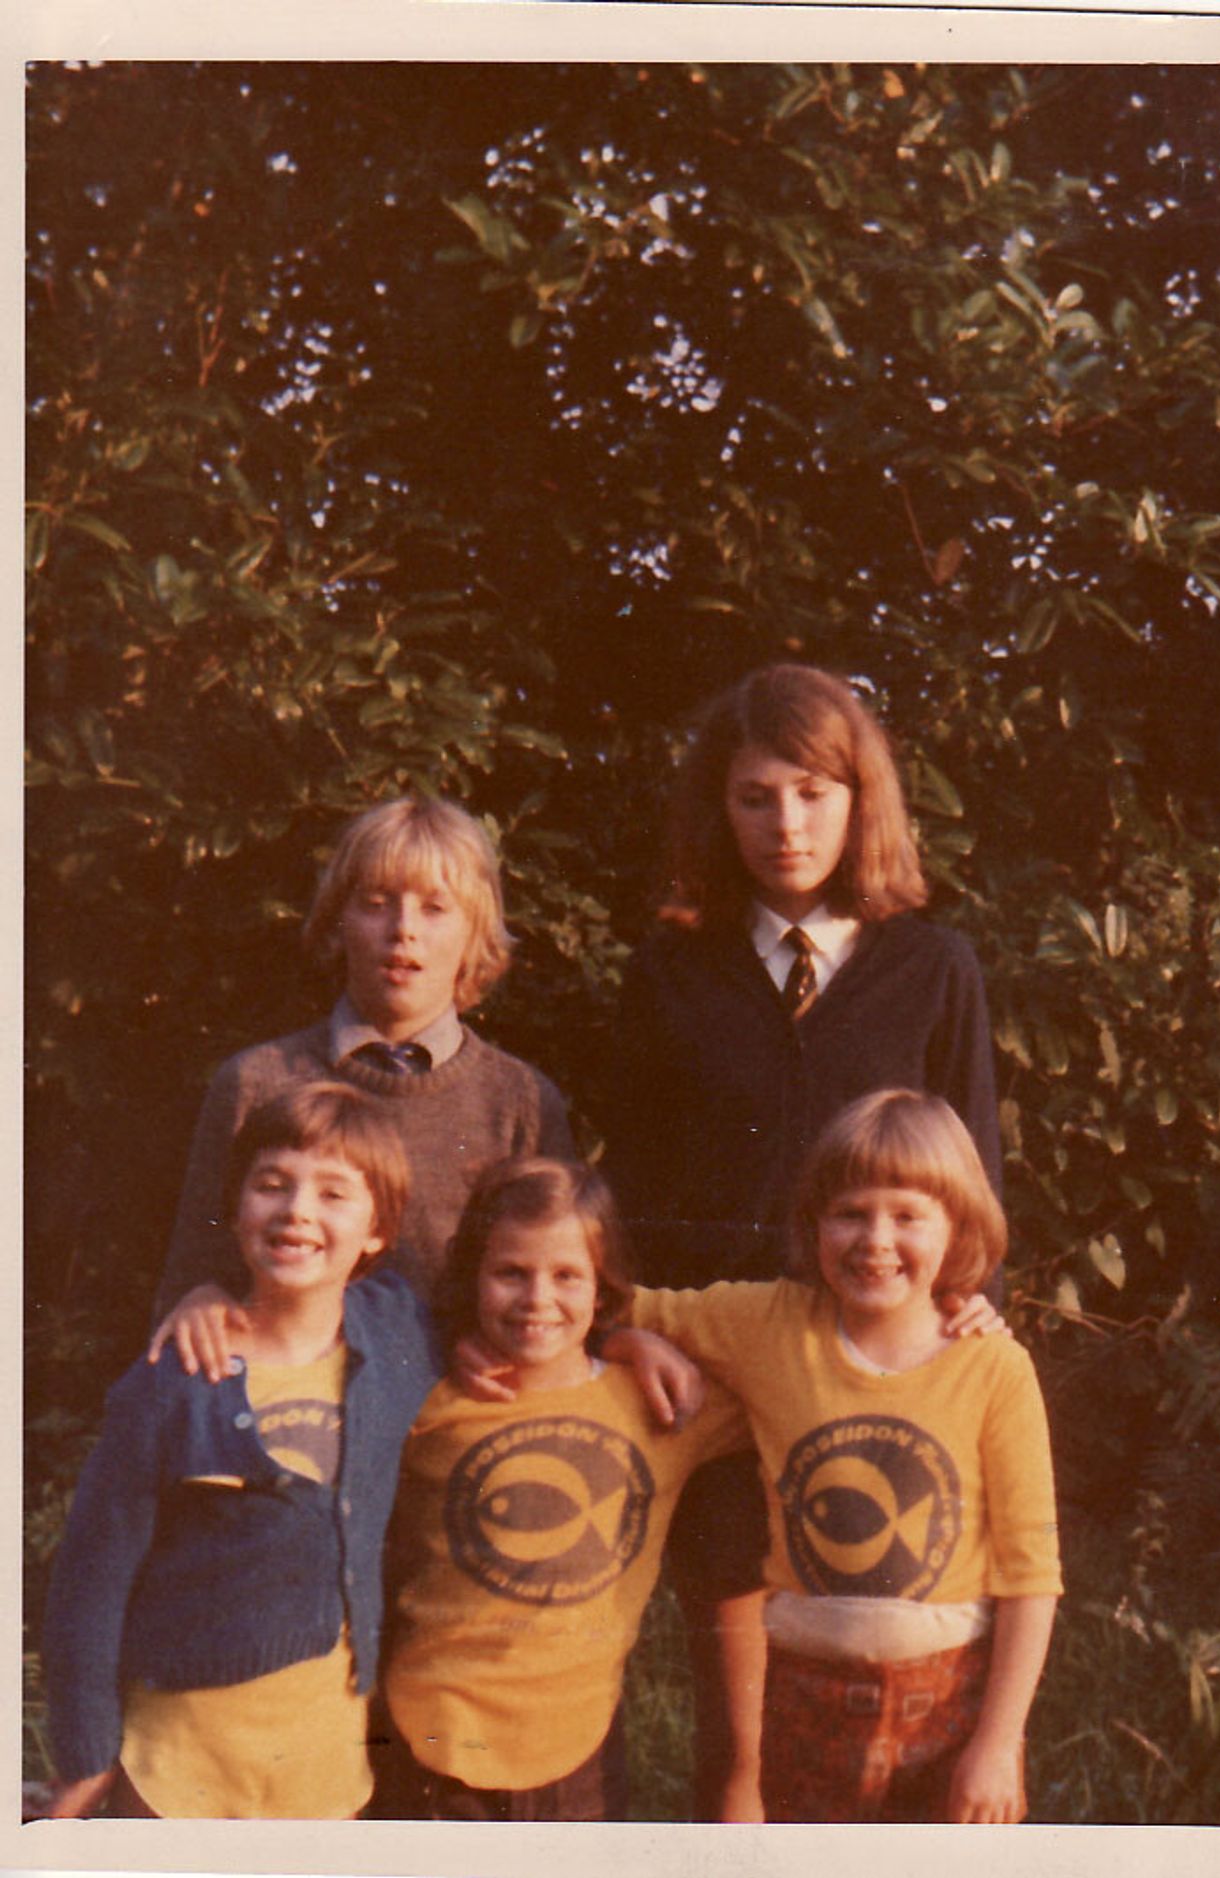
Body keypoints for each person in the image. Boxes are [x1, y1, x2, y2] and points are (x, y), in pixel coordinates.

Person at [603, 662, 1004, 1819]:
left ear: (858, 801)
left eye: (813, 793)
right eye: (754, 797)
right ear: (715, 812)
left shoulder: (934, 968)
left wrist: (968, 1295)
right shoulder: (669, 970)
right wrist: (632, 1331)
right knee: (738, 1731)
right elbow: (624, 1184)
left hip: (874, 1365)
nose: (786, 825)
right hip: (715, 1365)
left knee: (875, 1666)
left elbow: (967, 1174)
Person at [627, 1090, 1061, 1824]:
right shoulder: (768, 1324)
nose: (876, 1240)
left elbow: (1031, 1576)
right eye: (850, 1213)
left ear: (957, 1230)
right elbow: (604, 1302)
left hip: (952, 1711)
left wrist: (997, 1743)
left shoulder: (994, 1369)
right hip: (802, 1702)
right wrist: (628, 1340)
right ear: (814, 1224)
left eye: (907, 1216)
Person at [41, 1083, 443, 1819]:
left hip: (328, 1782)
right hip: (175, 1778)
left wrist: (637, 1338)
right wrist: (85, 1758)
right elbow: (87, 1588)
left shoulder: (401, 1338)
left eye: (333, 1194)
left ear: (380, 1229)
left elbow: (526, 1324)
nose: (297, 1211)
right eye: (272, 1185)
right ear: (236, 1207)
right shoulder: (173, 1384)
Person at [371, 1157, 749, 1823]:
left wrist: (634, 1339)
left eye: (567, 1275)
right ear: (474, 1277)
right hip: (431, 1742)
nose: (538, 1299)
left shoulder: (656, 1402)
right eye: (511, 1272)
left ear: (603, 1288)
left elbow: (798, 1370)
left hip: (579, 1755)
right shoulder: (430, 1395)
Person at [154, 795, 575, 1329]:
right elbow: (191, 1280)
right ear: (338, 922)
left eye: (435, 908)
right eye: (376, 903)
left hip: (465, 1402)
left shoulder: (522, 1102)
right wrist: (200, 1301)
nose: (403, 929)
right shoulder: (256, 1083)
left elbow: (563, 1289)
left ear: (474, 934)